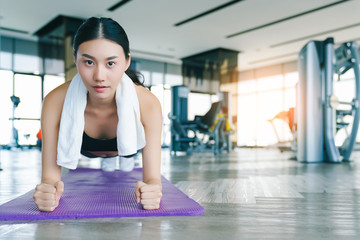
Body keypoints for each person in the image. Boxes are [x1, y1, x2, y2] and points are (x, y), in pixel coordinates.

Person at [33, 17, 162, 211]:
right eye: (89, 62)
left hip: (125, 148)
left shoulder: (148, 103)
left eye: (110, 63)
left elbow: (153, 179)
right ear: (75, 59)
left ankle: (118, 159)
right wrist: (48, 192)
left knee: (126, 160)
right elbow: (50, 178)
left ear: (127, 61)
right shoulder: (54, 102)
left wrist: (152, 190)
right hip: (85, 149)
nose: (99, 76)